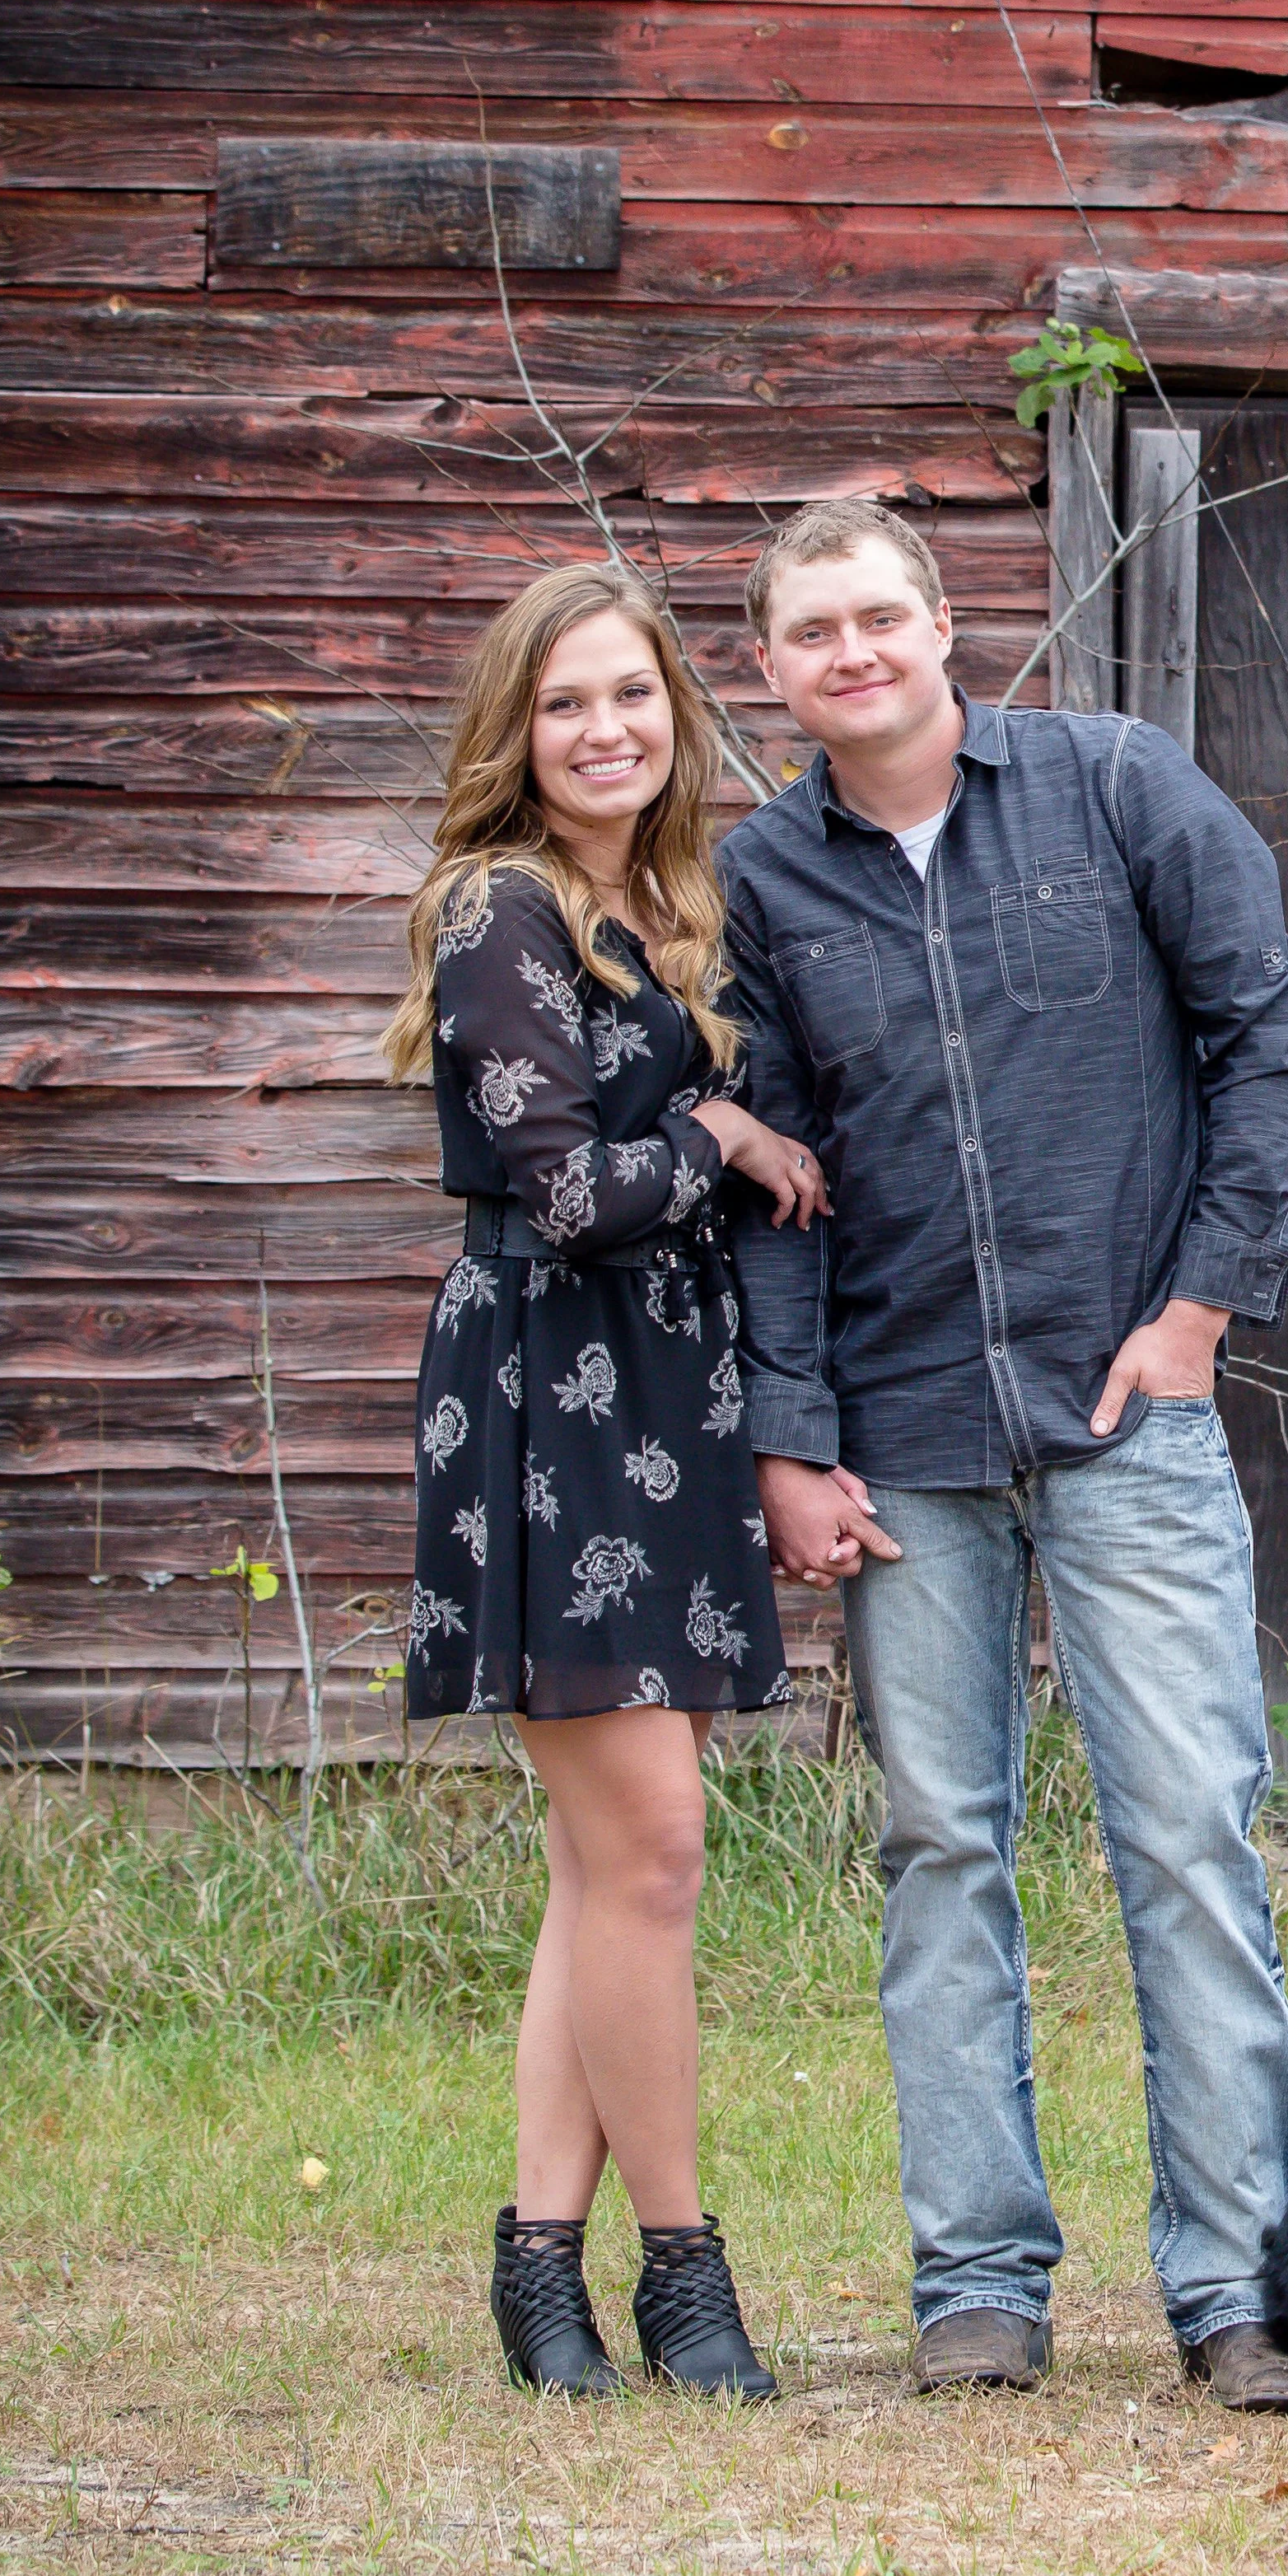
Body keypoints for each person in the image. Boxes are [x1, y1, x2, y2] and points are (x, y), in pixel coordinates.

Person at [716, 499, 1288, 2406]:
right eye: (815, 631)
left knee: (1188, 1843)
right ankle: (978, 2281)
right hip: (904, 1444)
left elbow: (1269, 1034)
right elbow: (775, 1182)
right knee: (940, 1850)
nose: (856, 654)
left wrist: (1201, 1310)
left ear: (940, 621)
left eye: (881, 615)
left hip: (1125, 1408)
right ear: (774, 667)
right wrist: (792, 1446)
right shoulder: (763, 879)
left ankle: (1240, 2290)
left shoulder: (1116, 786)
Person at [382, 559, 824, 2404]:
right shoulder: (499, 908)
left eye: (632, 697)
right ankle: (685, 2271)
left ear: (675, 715)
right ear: (517, 727)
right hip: (550, 1395)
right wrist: (721, 1131)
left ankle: (539, 2275)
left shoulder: (669, 906)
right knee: (653, 1854)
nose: (605, 731)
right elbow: (561, 1195)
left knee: (604, 1866)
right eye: (565, 703)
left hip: (664, 1387)